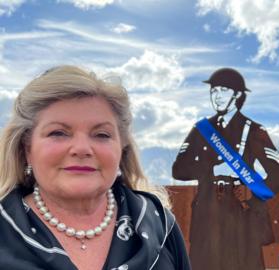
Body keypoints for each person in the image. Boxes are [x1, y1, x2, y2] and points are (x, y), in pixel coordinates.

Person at [0, 65, 191, 270]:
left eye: (101, 134)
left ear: (122, 148)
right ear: (26, 148)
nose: (82, 149)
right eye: (58, 133)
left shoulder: (159, 224)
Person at [172, 67, 279, 270]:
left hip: (241, 219)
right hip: (207, 218)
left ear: (237, 95)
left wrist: (252, 192)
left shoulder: (253, 131)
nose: (216, 97)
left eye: (223, 90)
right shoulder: (201, 130)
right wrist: (212, 170)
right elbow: (179, 170)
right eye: (213, 91)